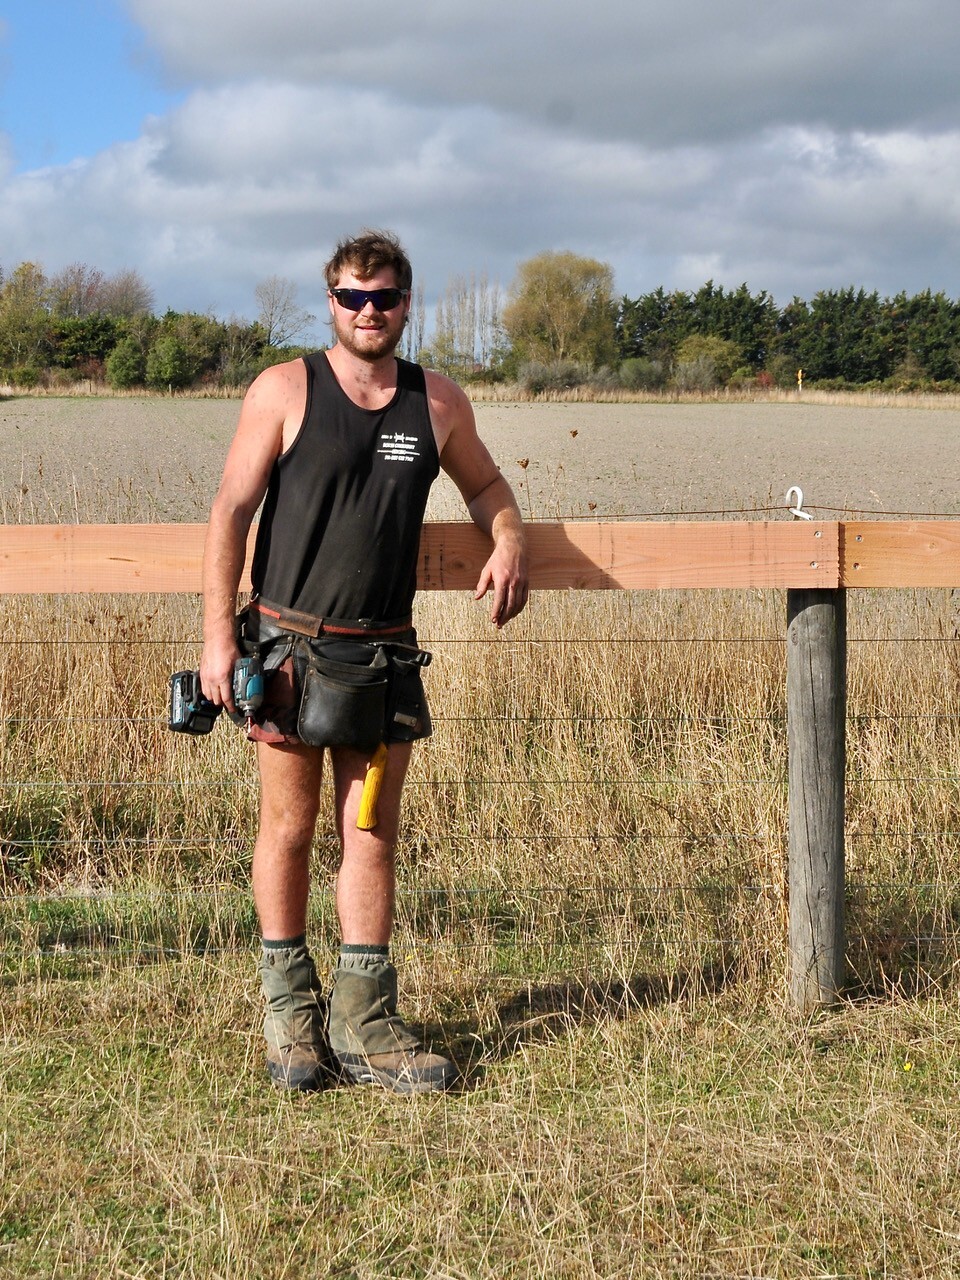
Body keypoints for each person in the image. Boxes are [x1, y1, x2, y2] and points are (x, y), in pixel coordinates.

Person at [200, 230, 528, 1094]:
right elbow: (231, 512)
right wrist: (216, 638)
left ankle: (366, 1023)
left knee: (371, 833)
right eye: (352, 297)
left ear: (407, 304)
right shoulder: (284, 389)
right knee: (288, 829)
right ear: (332, 303)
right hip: (285, 654)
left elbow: (488, 488)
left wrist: (509, 538)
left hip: (380, 658)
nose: (369, 311)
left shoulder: (438, 403)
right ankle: (290, 1021)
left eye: (383, 297)